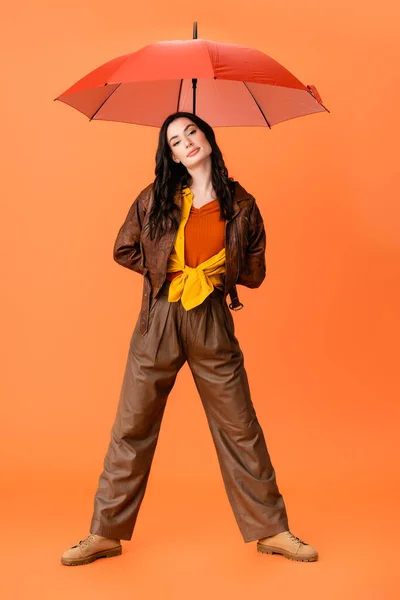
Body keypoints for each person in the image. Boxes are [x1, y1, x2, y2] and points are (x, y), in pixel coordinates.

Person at [61, 111, 318, 566]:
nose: (186, 143)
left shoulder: (241, 204)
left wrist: (217, 272)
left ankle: (273, 531)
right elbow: (124, 247)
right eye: (176, 141)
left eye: (191, 132)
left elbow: (255, 271)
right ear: (172, 155)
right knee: (132, 425)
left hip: (212, 318)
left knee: (240, 426)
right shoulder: (157, 197)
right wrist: (169, 270)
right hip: (159, 315)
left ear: (208, 137)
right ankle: (104, 533)